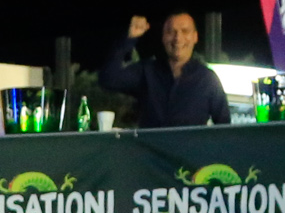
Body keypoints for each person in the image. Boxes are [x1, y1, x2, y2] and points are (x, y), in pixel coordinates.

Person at [97, 10, 233, 128]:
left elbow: (224, 127)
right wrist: (129, 38)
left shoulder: (207, 79)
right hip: (149, 156)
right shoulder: (147, 71)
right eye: (171, 32)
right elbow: (108, 79)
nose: (177, 38)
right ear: (163, 37)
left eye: (184, 31)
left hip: (191, 157)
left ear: (195, 37)